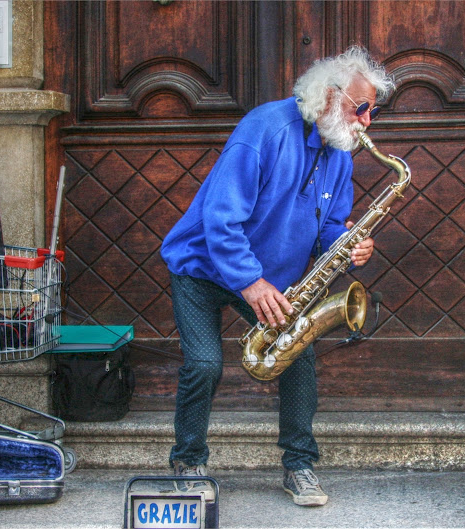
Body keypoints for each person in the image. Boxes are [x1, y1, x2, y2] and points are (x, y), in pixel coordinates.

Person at [159, 46, 394, 507]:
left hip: (269, 277)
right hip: (203, 267)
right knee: (205, 364)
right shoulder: (264, 129)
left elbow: (330, 223)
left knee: (299, 354)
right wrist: (250, 281)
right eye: (361, 108)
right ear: (329, 97)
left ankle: (299, 465)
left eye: (372, 111)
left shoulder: (339, 149)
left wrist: (347, 245)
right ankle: (187, 461)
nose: (367, 121)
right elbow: (220, 219)